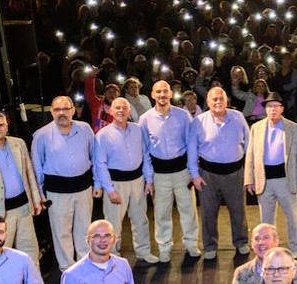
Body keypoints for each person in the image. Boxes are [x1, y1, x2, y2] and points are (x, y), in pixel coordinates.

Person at [31, 96, 99, 269]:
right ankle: (68, 269)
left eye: (65, 109)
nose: (61, 113)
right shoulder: (41, 135)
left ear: (73, 110)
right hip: (57, 192)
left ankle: (85, 265)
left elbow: (96, 157)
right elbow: (37, 168)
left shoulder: (85, 129)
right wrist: (39, 195)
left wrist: (97, 183)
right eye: (57, 110)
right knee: (62, 233)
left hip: (83, 187)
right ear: (51, 112)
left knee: (84, 229)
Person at [139, 80, 201, 262]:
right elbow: (145, 151)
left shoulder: (183, 116)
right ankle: (164, 247)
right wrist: (149, 179)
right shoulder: (145, 119)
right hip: (159, 175)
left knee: (188, 210)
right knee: (161, 213)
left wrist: (193, 171)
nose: (162, 95)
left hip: (182, 172)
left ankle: (191, 244)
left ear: (171, 94)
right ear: (152, 94)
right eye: (158, 92)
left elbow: (191, 146)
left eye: (165, 91)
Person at [189, 87, 252, 259]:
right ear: (208, 102)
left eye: (221, 99)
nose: (218, 102)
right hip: (208, 174)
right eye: (214, 99)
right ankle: (210, 246)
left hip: (235, 172)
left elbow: (249, 144)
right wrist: (194, 175)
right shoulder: (198, 121)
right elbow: (192, 150)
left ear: (227, 101)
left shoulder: (238, 117)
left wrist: (249, 172)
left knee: (238, 211)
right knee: (208, 212)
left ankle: (241, 242)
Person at [93, 97, 158, 263]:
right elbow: (100, 164)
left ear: (129, 111)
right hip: (116, 183)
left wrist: (149, 179)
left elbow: (145, 155)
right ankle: (113, 255)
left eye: (124, 108)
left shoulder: (137, 130)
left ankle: (143, 251)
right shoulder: (103, 135)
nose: (121, 110)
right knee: (114, 223)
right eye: (117, 108)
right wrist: (109, 189)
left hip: (137, 181)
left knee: (140, 219)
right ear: (111, 111)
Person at [0, 112, 44, 260]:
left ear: (6, 126)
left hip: (24, 208)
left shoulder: (19, 143)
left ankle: (33, 282)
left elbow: (30, 173)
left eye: (0, 125)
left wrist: (36, 200)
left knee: (30, 252)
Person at [245, 93, 297, 256]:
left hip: (286, 179)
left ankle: (295, 248)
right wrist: (249, 179)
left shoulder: (294, 128)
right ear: (265, 109)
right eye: (269, 106)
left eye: (276, 106)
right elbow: (250, 155)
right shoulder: (256, 128)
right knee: (266, 220)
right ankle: (268, 250)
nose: (272, 109)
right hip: (264, 180)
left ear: (282, 108)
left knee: (292, 217)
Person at [231, 223, 297, 284]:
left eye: (266, 237)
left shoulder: (296, 268)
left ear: (276, 241)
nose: (261, 242)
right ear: (251, 244)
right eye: (257, 239)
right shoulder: (242, 272)